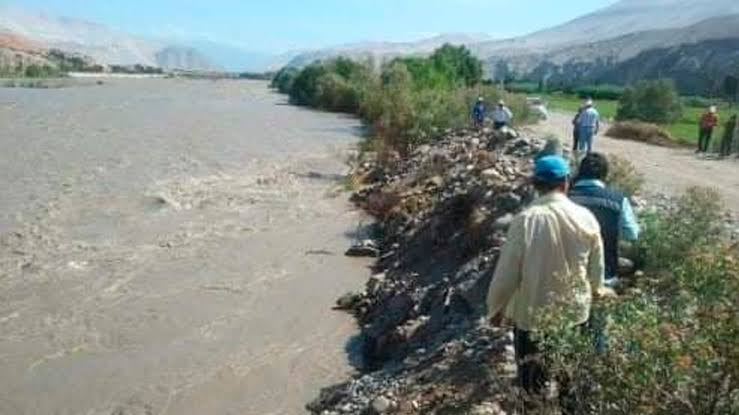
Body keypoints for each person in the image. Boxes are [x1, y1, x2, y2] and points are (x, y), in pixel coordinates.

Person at [487, 155, 609, 395]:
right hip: (575, 316)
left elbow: (507, 273)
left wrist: (496, 308)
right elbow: (597, 270)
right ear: (566, 182)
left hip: (533, 318)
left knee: (531, 387)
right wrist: (596, 291)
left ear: (535, 184)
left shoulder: (525, 221)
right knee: (570, 384)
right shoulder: (586, 217)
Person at [569, 153, 640, 286]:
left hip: (567, 276)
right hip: (605, 276)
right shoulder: (618, 200)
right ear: (605, 175)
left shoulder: (565, 198)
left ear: (580, 172)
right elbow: (632, 234)